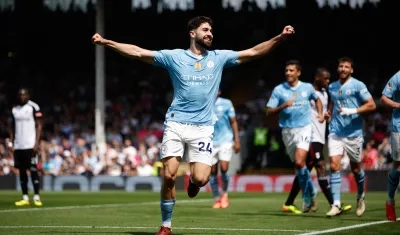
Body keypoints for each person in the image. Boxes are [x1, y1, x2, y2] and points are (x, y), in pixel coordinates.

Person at [92, 16, 295, 235]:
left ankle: (194, 183)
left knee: (200, 178)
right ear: (192, 33)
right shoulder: (175, 57)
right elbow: (138, 52)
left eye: (211, 30)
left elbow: (253, 52)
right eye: (205, 30)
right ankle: (166, 226)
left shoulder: (219, 58)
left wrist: (280, 38)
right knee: (168, 175)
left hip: (203, 128)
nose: (210, 34)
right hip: (176, 123)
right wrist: (107, 42)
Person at [282, 68, 352, 214]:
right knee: (320, 166)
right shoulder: (306, 92)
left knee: (304, 171)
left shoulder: (325, 94)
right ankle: (334, 204)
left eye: (328, 79)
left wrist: (327, 115)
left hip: (320, 137)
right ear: (317, 77)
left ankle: (291, 203)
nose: (327, 81)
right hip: (310, 136)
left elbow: (325, 111)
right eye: (325, 79)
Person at [266, 60, 324, 212]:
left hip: (304, 128)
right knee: (299, 167)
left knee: (299, 162)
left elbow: (317, 99)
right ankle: (311, 191)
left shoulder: (307, 87)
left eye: (291, 70)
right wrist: (283, 106)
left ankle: (306, 195)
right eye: (286, 70)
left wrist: (319, 113)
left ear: (298, 72)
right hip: (287, 131)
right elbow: (268, 111)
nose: (288, 73)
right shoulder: (279, 90)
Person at [324, 57, 376, 217]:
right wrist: (328, 112)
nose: (343, 69)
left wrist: (352, 111)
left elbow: (372, 105)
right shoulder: (332, 86)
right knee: (333, 166)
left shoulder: (358, 85)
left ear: (351, 70)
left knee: (356, 169)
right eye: (341, 66)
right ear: (338, 68)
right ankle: (336, 204)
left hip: (353, 133)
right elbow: (332, 103)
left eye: (346, 67)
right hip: (335, 132)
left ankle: (360, 195)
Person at [8, 88, 43, 206]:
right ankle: (25, 198)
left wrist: (36, 143)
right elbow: (11, 127)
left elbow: (39, 125)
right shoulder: (14, 109)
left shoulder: (33, 107)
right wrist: (12, 143)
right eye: (20, 95)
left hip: (30, 144)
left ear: (28, 95)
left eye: (24, 95)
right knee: (22, 171)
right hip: (19, 145)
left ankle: (37, 197)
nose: (22, 97)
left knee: (33, 170)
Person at [210, 89, 240, 209]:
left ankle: (225, 194)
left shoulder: (227, 103)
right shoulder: (205, 102)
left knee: (224, 167)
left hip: (225, 140)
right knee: (212, 171)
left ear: (220, 91)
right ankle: (217, 199)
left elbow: (233, 121)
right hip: (210, 141)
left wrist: (236, 140)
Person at [380, 70, 400, 221]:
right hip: (399, 127)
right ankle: (390, 201)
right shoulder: (398, 76)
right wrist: (397, 104)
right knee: (398, 166)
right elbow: (383, 99)